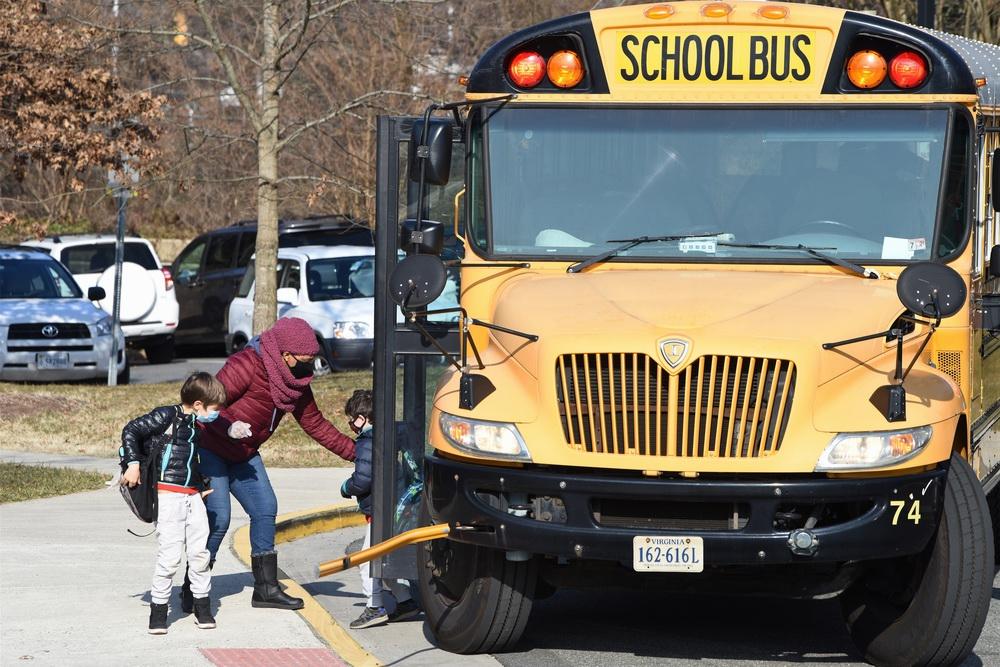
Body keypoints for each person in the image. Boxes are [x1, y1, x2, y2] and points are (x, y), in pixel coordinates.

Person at [198, 317, 356, 610]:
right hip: (211, 448)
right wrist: (229, 427)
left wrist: (357, 453)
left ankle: (266, 589)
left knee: (265, 508)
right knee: (219, 518)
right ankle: (194, 587)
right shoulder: (246, 365)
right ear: (286, 356)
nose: (310, 366)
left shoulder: (293, 383)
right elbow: (206, 405)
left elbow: (316, 424)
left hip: (244, 453)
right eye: (306, 360)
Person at [120, 372, 243, 635]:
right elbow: (131, 430)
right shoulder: (167, 416)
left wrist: (200, 487)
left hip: (192, 496)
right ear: (198, 405)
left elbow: (190, 460)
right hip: (167, 496)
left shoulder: (197, 426)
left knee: (200, 555)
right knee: (170, 557)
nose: (216, 415)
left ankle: (203, 607)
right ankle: (159, 612)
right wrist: (132, 464)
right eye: (214, 409)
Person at [340, 389, 420, 629]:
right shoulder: (388, 435)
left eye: (352, 419)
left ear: (362, 419)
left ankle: (374, 607)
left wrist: (346, 487)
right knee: (383, 560)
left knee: (367, 560)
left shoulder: (367, 442)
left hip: (381, 510)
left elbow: (363, 479)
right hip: (396, 506)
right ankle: (405, 603)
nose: (351, 424)